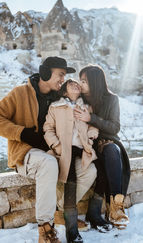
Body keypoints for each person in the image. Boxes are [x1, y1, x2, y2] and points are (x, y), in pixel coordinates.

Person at [0, 56, 88, 243]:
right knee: (48, 164)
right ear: (45, 73)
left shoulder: (60, 98)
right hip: (25, 153)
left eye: (64, 76)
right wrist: (22, 133)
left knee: (88, 169)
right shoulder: (20, 93)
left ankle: (60, 212)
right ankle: (45, 229)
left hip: (52, 152)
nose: (62, 80)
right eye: (60, 75)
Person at [74, 64, 131, 231]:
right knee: (98, 166)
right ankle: (94, 212)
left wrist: (91, 118)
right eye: (80, 80)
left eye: (84, 81)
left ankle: (116, 208)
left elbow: (114, 127)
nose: (81, 84)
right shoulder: (79, 99)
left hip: (108, 141)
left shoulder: (111, 99)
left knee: (112, 152)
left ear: (94, 82)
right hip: (86, 143)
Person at [44, 79, 98, 243]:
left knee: (91, 172)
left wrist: (91, 135)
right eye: (70, 84)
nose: (76, 85)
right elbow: (47, 129)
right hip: (63, 152)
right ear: (65, 92)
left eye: (77, 84)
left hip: (82, 151)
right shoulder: (55, 107)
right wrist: (57, 146)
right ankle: (72, 231)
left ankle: (61, 209)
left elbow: (92, 126)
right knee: (70, 181)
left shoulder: (86, 107)